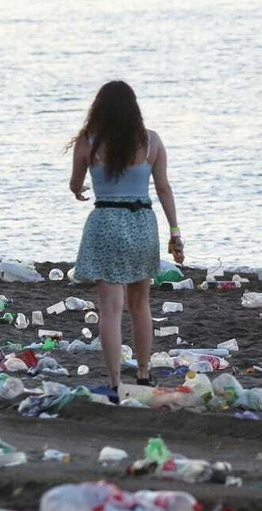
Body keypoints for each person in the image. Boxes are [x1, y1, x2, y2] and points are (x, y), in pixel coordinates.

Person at [67, 81, 183, 397]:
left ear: (99, 108)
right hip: (142, 221)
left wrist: (79, 189)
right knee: (140, 304)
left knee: (110, 309)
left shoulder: (87, 142)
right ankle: (144, 375)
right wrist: (175, 233)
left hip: (105, 221)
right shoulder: (151, 142)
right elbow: (163, 189)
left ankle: (117, 381)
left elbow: (75, 184)